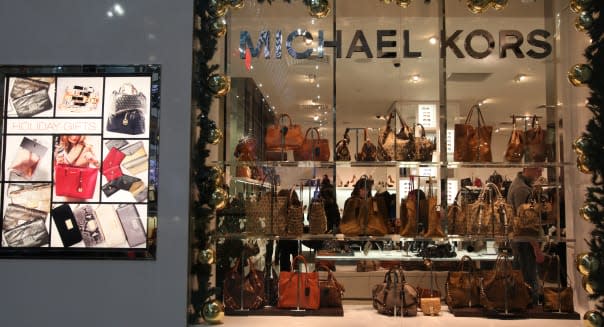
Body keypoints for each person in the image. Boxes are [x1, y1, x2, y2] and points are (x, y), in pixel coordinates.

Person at [507, 166, 545, 305]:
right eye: (537, 169)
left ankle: (523, 304)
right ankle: (530, 307)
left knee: (522, 276)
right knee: (528, 277)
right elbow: (525, 224)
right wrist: (536, 248)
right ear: (526, 168)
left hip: (522, 240)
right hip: (524, 242)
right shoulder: (521, 189)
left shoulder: (521, 185)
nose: (540, 172)